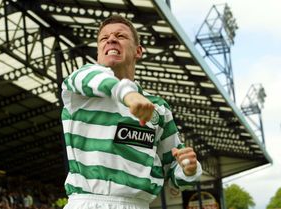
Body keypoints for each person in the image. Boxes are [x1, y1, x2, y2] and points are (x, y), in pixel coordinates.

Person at [61, 15, 202, 209]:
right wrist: (128, 94)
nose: (111, 39)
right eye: (104, 38)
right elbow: (85, 76)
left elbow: (173, 168)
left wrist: (188, 170)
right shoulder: (81, 85)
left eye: (120, 36)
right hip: (88, 203)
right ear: (98, 53)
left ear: (138, 51)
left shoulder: (158, 107)